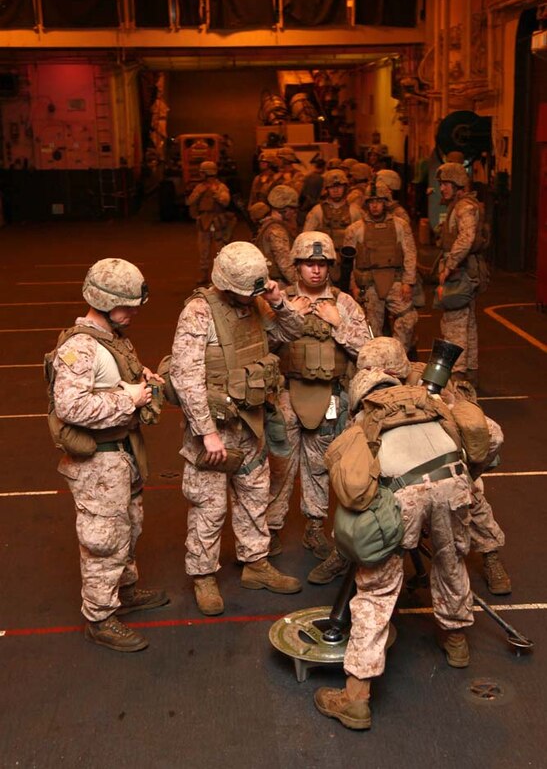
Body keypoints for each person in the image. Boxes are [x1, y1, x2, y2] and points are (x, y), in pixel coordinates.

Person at [314, 337, 476, 730]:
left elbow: (353, 490)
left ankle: (355, 698)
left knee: (377, 589)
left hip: (406, 493)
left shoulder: (361, 419)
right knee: (449, 560)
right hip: (454, 480)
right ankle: (456, 643)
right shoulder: (428, 400)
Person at [170, 242, 304, 617]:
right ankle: (203, 575)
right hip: (215, 427)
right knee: (208, 506)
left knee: (255, 495)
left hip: (253, 421)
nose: (253, 297)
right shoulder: (199, 312)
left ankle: (255, 562)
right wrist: (206, 432)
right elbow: (185, 376)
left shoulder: (258, 302)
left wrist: (278, 300)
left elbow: (293, 331)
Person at [46, 258, 168, 653]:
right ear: (103, 300)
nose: (133, 312)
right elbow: (70, 407)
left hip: (122, 454)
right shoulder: (80, 346)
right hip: (98, 463)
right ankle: (99, 617)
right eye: (127, 305)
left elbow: (111, 377)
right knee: (103, 539)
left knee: (129, 526)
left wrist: (141, 379)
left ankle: (123, 591)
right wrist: (127, 398)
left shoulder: (111, 337)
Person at [368, 338, 511, 595]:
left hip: (440, 456)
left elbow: (488, 434)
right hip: (401, 465)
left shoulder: (427, 379)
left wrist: (467, 474)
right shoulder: (370, 387)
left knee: (471, 495)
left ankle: (490, 555)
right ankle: (347, 555)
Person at [266, 231, 371, 577]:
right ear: (296, 266)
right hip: (285, 393)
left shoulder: (344, 304)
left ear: (329, 267)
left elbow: (369, 352)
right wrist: (285, 315)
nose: (315, 270)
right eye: (309, 264)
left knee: (319, 465)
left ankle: (314, 527)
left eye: (321, 264)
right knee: (280, 465)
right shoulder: (278, 300)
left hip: (329, 395)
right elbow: (259, 344)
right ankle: (271, 529)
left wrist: (339, 325)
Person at [343, 178, 418, 352]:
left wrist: (408, 282)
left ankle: (398, 353)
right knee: (371, 330)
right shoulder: (355, 229)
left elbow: (410, 253)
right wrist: (352, 286)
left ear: (386, 203)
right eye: (371, 202)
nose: (375, 206)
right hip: (368, 285)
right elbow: (349, 262)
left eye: (379, 201)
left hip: (395, 282)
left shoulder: (401, 226)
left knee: (408, 318)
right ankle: (377, 364)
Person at [435, 162, 488, 387]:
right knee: (467, 324)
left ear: (457, 184)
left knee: (454, 325)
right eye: (441, 184)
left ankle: (457, 377)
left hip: (461, 273)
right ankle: (469, 373)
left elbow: (466, 238)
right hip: (464, 271)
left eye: (446, 184)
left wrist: (449, 266)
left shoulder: (464, 207)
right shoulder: (458, 206)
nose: (442, 189)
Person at [303, 169, 363, 284]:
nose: (335, 190)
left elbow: (362, 241)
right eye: (331, 187)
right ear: (327, 189)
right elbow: (306, 239)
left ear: (345, 188)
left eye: (339, 186)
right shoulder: (317, 211)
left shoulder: (355, 211)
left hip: (349, 264)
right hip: (324, 263)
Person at [187, 160, 231, 284]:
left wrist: (215, 193)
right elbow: (190, 201)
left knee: (219, 249)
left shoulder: (220, 187)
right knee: (203, 250)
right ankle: (204, 273)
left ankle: (220, 275)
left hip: (217, 220)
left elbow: (225, 201)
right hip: (204, 220)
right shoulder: (199, 187)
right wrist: (199, 193)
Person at [253, 185, 299, 288]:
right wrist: (301, 285)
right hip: (278, 285)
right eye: (292, 209)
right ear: (285, 210)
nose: (294, 213)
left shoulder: (267, 224)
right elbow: (285, 265)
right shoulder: (277, 231)